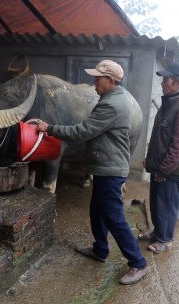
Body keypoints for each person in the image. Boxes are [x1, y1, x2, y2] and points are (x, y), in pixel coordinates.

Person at [36, 60, 148, 285]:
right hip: (104, 166)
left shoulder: (112, 105)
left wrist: (49, 128)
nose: (94, 82)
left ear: (112, 81)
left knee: (114, 217)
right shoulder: (111, 98)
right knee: (97, 210)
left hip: (110, 168)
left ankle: (138, 263)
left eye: (98, 78)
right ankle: (100, 250)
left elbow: (83, 131)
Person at [141, 62, 179, 253]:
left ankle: (165, 240)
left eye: (166, 80)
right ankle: (157, 233)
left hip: (170, 170)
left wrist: (164, 170)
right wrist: (150, 161)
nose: (162, 83)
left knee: (166, 205)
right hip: (160, 167)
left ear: (177, 83)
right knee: (157, 203)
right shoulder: (169, 103)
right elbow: (159, 137)